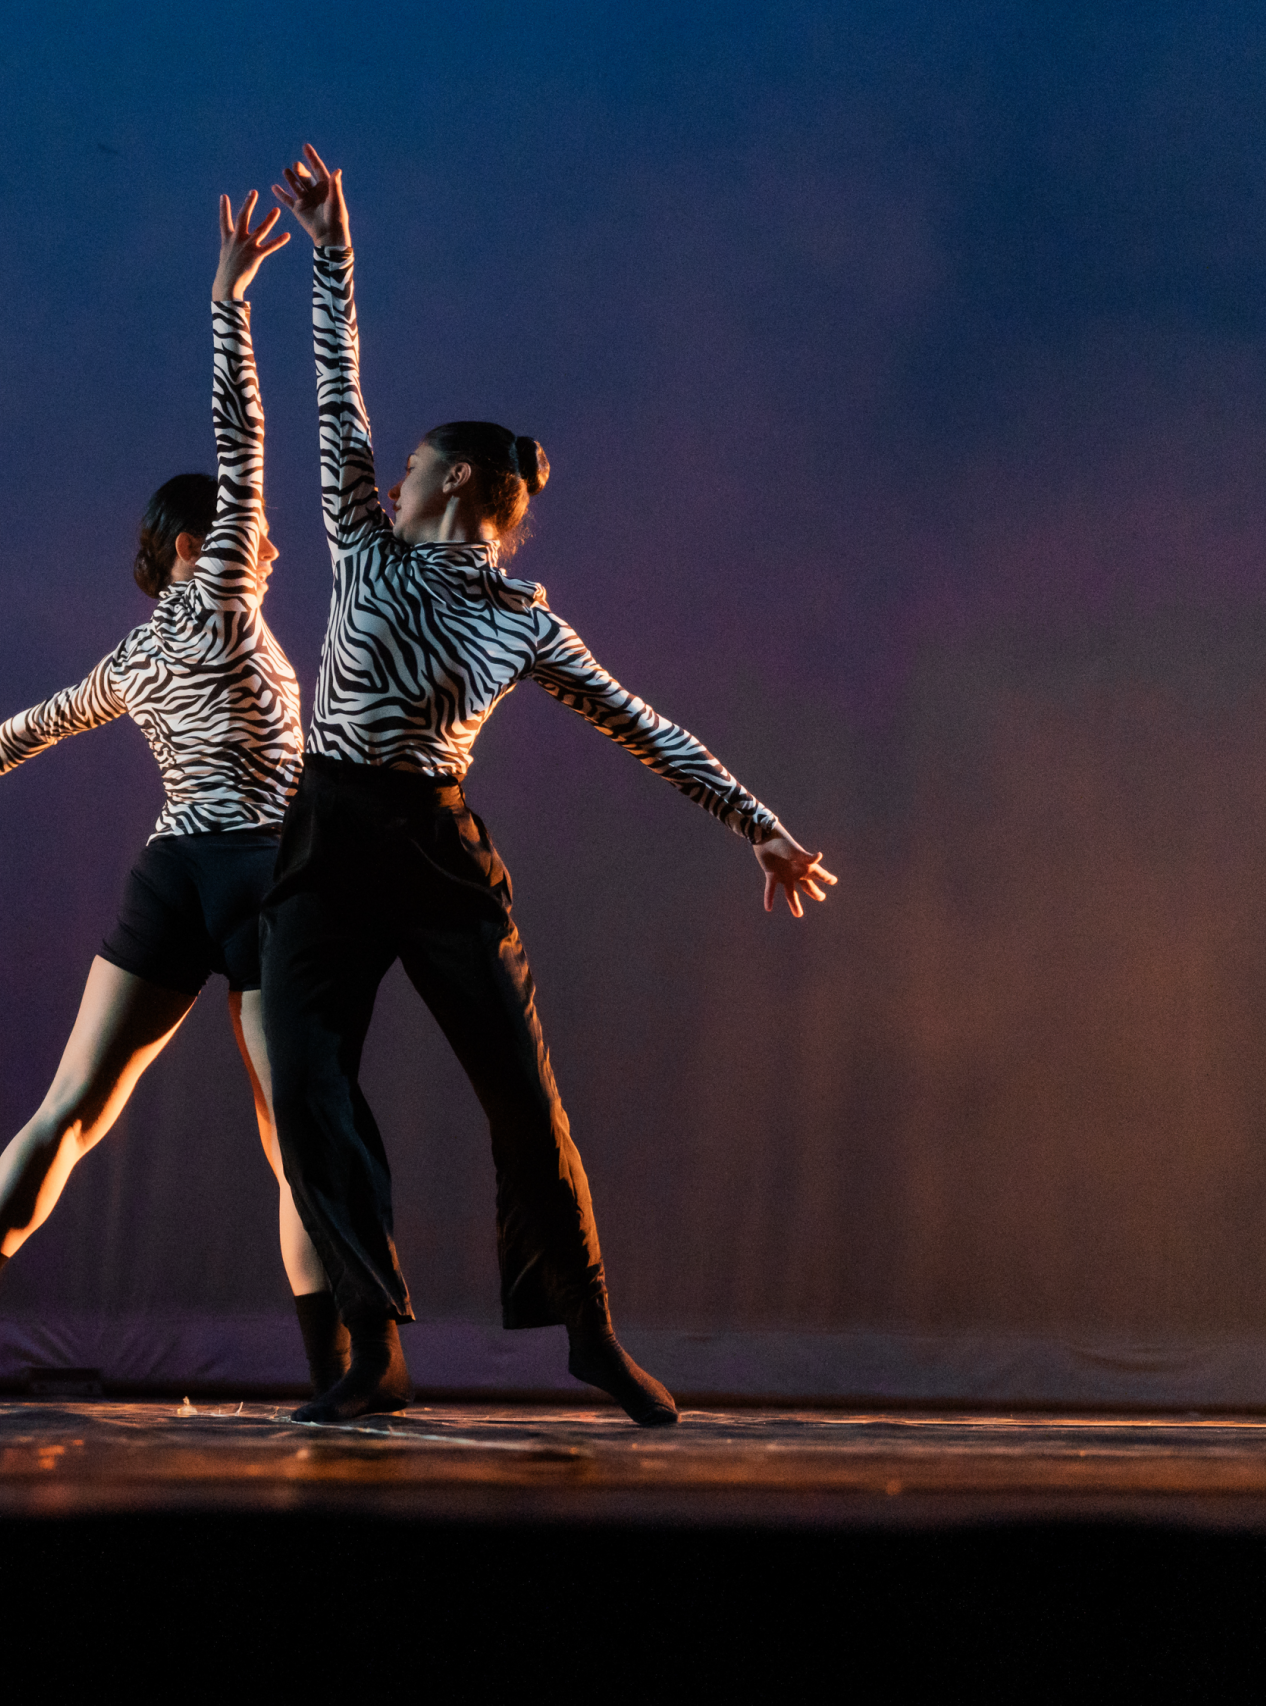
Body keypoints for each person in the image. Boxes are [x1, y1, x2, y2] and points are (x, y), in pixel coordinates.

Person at [260, 145, 838, 1426]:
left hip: (434, 850)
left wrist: (757, 826)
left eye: (415, 465)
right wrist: (332, 250)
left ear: (456, 481)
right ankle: (373, 1345)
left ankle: (589, 1333)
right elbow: (335, 384)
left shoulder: (525, 621)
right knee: (305, 1079)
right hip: (328, 835)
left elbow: (644, 726)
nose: (394, 476)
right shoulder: (360, 541)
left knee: (524, 1098)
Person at [0, 191, 349, 1412]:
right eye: (246, 535)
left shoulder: (128, 661)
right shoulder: (224, 594)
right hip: (259, 871)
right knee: (293, 1136)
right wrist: (226, 302)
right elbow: (241, 435)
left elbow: (33, 725)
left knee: (67, 1114)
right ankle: (336, 1377)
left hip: (170, 877)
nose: (269, 548)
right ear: (197, 545)